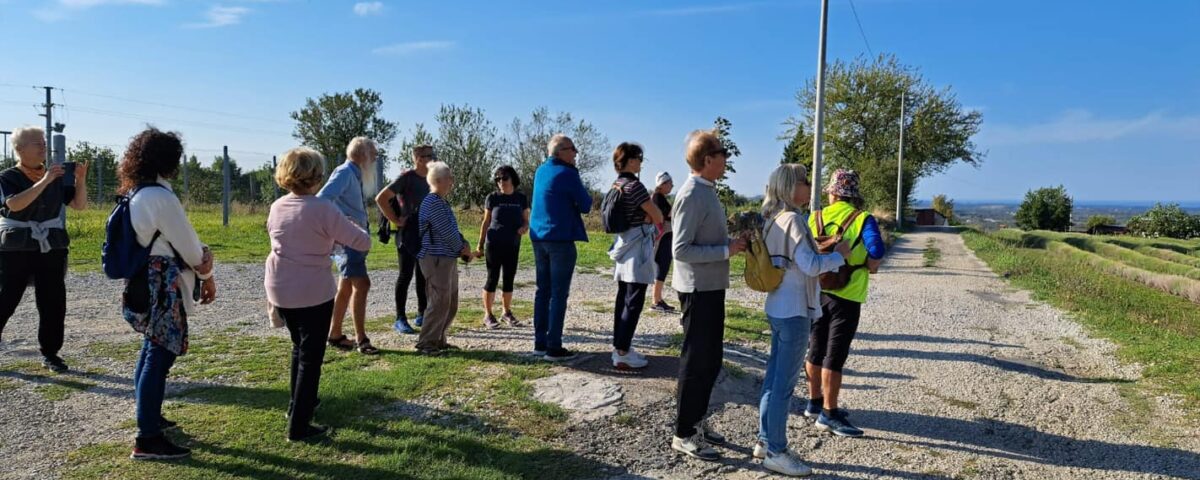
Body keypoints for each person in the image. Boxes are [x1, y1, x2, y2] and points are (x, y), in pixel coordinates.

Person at [120, 128, 216, 460]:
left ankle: (149, 416)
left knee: (151, 349)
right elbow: (189, 246)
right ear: (169, 160)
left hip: (144, 279)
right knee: (159, 356)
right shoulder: (161, 197)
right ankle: (147, 437)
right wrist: (207, 273)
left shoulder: (135, 192)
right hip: (163, 284)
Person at [266, 147, 371, 442]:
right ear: (316, 176)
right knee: (311, 359)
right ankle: (299, 426)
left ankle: (298, 405)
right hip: (311, 291)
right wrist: (348, 226)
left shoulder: (277, 207)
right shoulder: (323, 209)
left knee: (299, 348)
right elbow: (362, 243)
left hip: (280, 288)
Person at [752, 164, 850, 477]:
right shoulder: (793, 218)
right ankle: (777, 452)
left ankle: (765, 440)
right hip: (794, 309)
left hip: (777, 305)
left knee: (772, 379)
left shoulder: (771, 217)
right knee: (783, 386)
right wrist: (840, 255)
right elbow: (809, 265)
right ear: (791, 186)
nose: (811, 187)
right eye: (806, 182)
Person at [669, 130, 747, 461]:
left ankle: (697, 422)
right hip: (697, 289)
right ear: (708, 159)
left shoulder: (707, 191)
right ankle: (684, 433)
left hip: (711, 287)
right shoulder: (691, 195)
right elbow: (681, 249)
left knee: (711, 361)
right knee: (696, 362)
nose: (726, 158)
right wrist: (726, 249)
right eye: (722, 152)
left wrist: (728, 243)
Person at [804, 168, 886, 438]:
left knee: (815, 348)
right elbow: (876, 250)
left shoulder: (814, 217)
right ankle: (829, 414)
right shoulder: (863, 218)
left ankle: (814, 403)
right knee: (835, 354)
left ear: (832, 192)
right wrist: (871, 264)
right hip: (848, 294)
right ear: (852, 195)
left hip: (816, 290)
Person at [0, 126, 88, 373]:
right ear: (19, 149)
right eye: (37, 143)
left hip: (51, 246)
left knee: (53, 301)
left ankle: (51, 353)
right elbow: (14, 205)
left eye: (43, 143)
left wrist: (80, 180)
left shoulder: (56, 176)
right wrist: (46, 180)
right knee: (6, 298)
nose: (43, 147)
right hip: (15, 247)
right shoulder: (7, 177)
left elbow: (79, 205)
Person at [528, 134, 593, 362]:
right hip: (560, 239)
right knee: (558, 294)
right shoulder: (568, 173)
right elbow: (586, 205)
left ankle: (539, 343)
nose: (576, 153)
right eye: (572, 149)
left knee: (542, 291)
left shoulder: (540, 171)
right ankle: (554, 346)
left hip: (538, 237)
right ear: (561, 151)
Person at [318, 137, 379, 355]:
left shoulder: (354, 174)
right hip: (347, 242)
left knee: (345, 287)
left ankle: (334, 334)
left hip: (354, 240)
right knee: (362, 285)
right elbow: (322, 199)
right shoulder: (344, 173)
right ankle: (362, 339)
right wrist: (342, 221)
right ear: (362, 155)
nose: (376, 158)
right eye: (373, 154)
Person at [607, 143, 662, 370]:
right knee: (634, 301)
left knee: (623, 299)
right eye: (639, 158)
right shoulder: (635, 187)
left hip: (623, 244)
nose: (641, 163)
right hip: (637, 247)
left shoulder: (616, 184)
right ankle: (623, 353)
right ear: (630, 161)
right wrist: (649, 218)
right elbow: (657, 215)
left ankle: (621, 346)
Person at [415, 161, 474, 356]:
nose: (452, 181)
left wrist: (463, 243)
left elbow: (453, 231)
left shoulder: (441, 202)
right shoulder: (433, 202)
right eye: (449, 177)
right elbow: (447, 232)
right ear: (438, 180)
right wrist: (463, 249)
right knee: (439, 301)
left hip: (446, 258)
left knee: (449, 302)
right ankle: (426, 343)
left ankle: (439, 340)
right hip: (436, 259)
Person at [376, 145, 434, 335]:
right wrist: (395, 219)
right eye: (426, 156)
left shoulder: (432, 177)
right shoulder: (406, 177)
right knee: (405, 274)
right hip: (407, 234)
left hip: (425, 233)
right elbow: (381, 198)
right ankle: (400, 318)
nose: (430, 159)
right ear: (416, 158)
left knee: (422, 274)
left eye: (432, 155)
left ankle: (422, 313)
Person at [473, 165, 529, 329]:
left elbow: (526, 219)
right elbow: (486, 222)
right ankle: (488, 315)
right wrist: (480, 244)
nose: (501, 182)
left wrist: (525, 227)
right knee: (492, 278)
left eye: (504, 178)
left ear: (512, 179)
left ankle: (506, 312)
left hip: (513, 243)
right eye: (498, 179)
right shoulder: (492, 197)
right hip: (494, 243)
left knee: (509, 278)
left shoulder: (521, 198)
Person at [649, 171, 676, 313]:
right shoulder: (658, 198)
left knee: (662, 267)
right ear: (663, 184)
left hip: (664, 237)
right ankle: (656, 300)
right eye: (670, 183)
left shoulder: (658, 197)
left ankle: (658, 298)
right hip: (663, 237)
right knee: (662, 266)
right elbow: (666, 216)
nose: (672, 186)